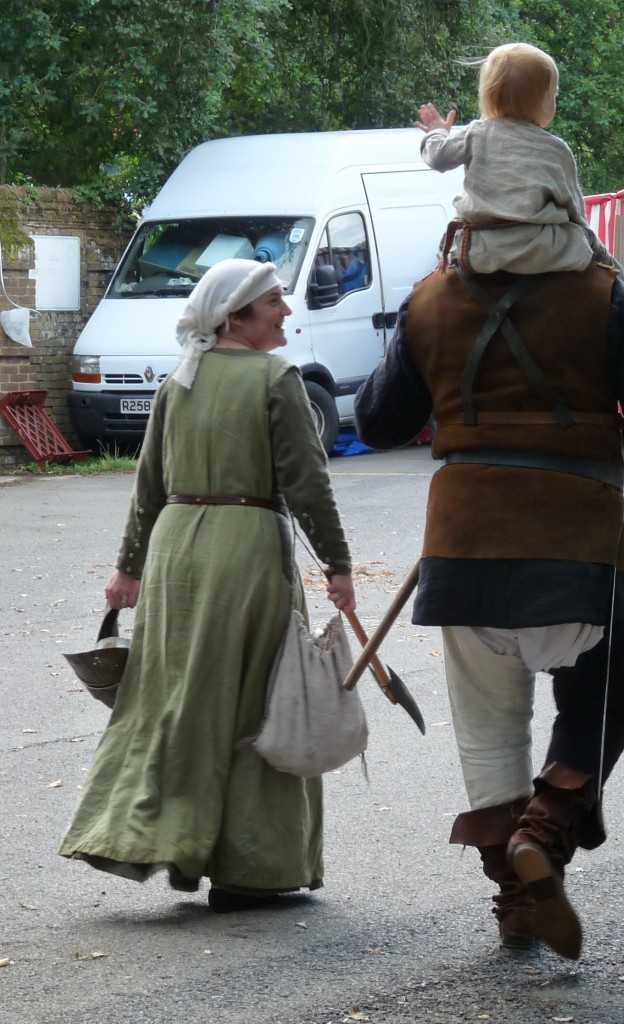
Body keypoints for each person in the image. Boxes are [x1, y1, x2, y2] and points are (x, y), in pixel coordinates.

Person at [354, 259, 624, 959]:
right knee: (604, 704)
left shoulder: (431, 296)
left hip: (463, 541)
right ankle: (541, 832)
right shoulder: (598, 291)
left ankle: (516, 903)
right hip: (571, 538)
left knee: (488, 731)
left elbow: (380, 421)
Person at [59, 259, 356, 913]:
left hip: (175, 554)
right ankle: (250, 868)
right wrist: (338, 565)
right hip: (244, 552)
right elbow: (307, 483)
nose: (287, 311)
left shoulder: (179, 380)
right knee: (255, 702)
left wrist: (130, 567)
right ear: (236, 317)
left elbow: (149, 485)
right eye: (275, 301)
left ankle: (139, 834)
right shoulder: (277, 378)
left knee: (175, 700)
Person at [415, 42, 621, 277]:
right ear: (544, 100)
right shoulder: (555, 148)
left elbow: (438, 156)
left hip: (479, 251)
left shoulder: (476, 133)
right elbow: (574, 208)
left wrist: (437, 131)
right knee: (610, 271)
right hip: (544, 251)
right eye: (554, 96)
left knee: (418, 299)